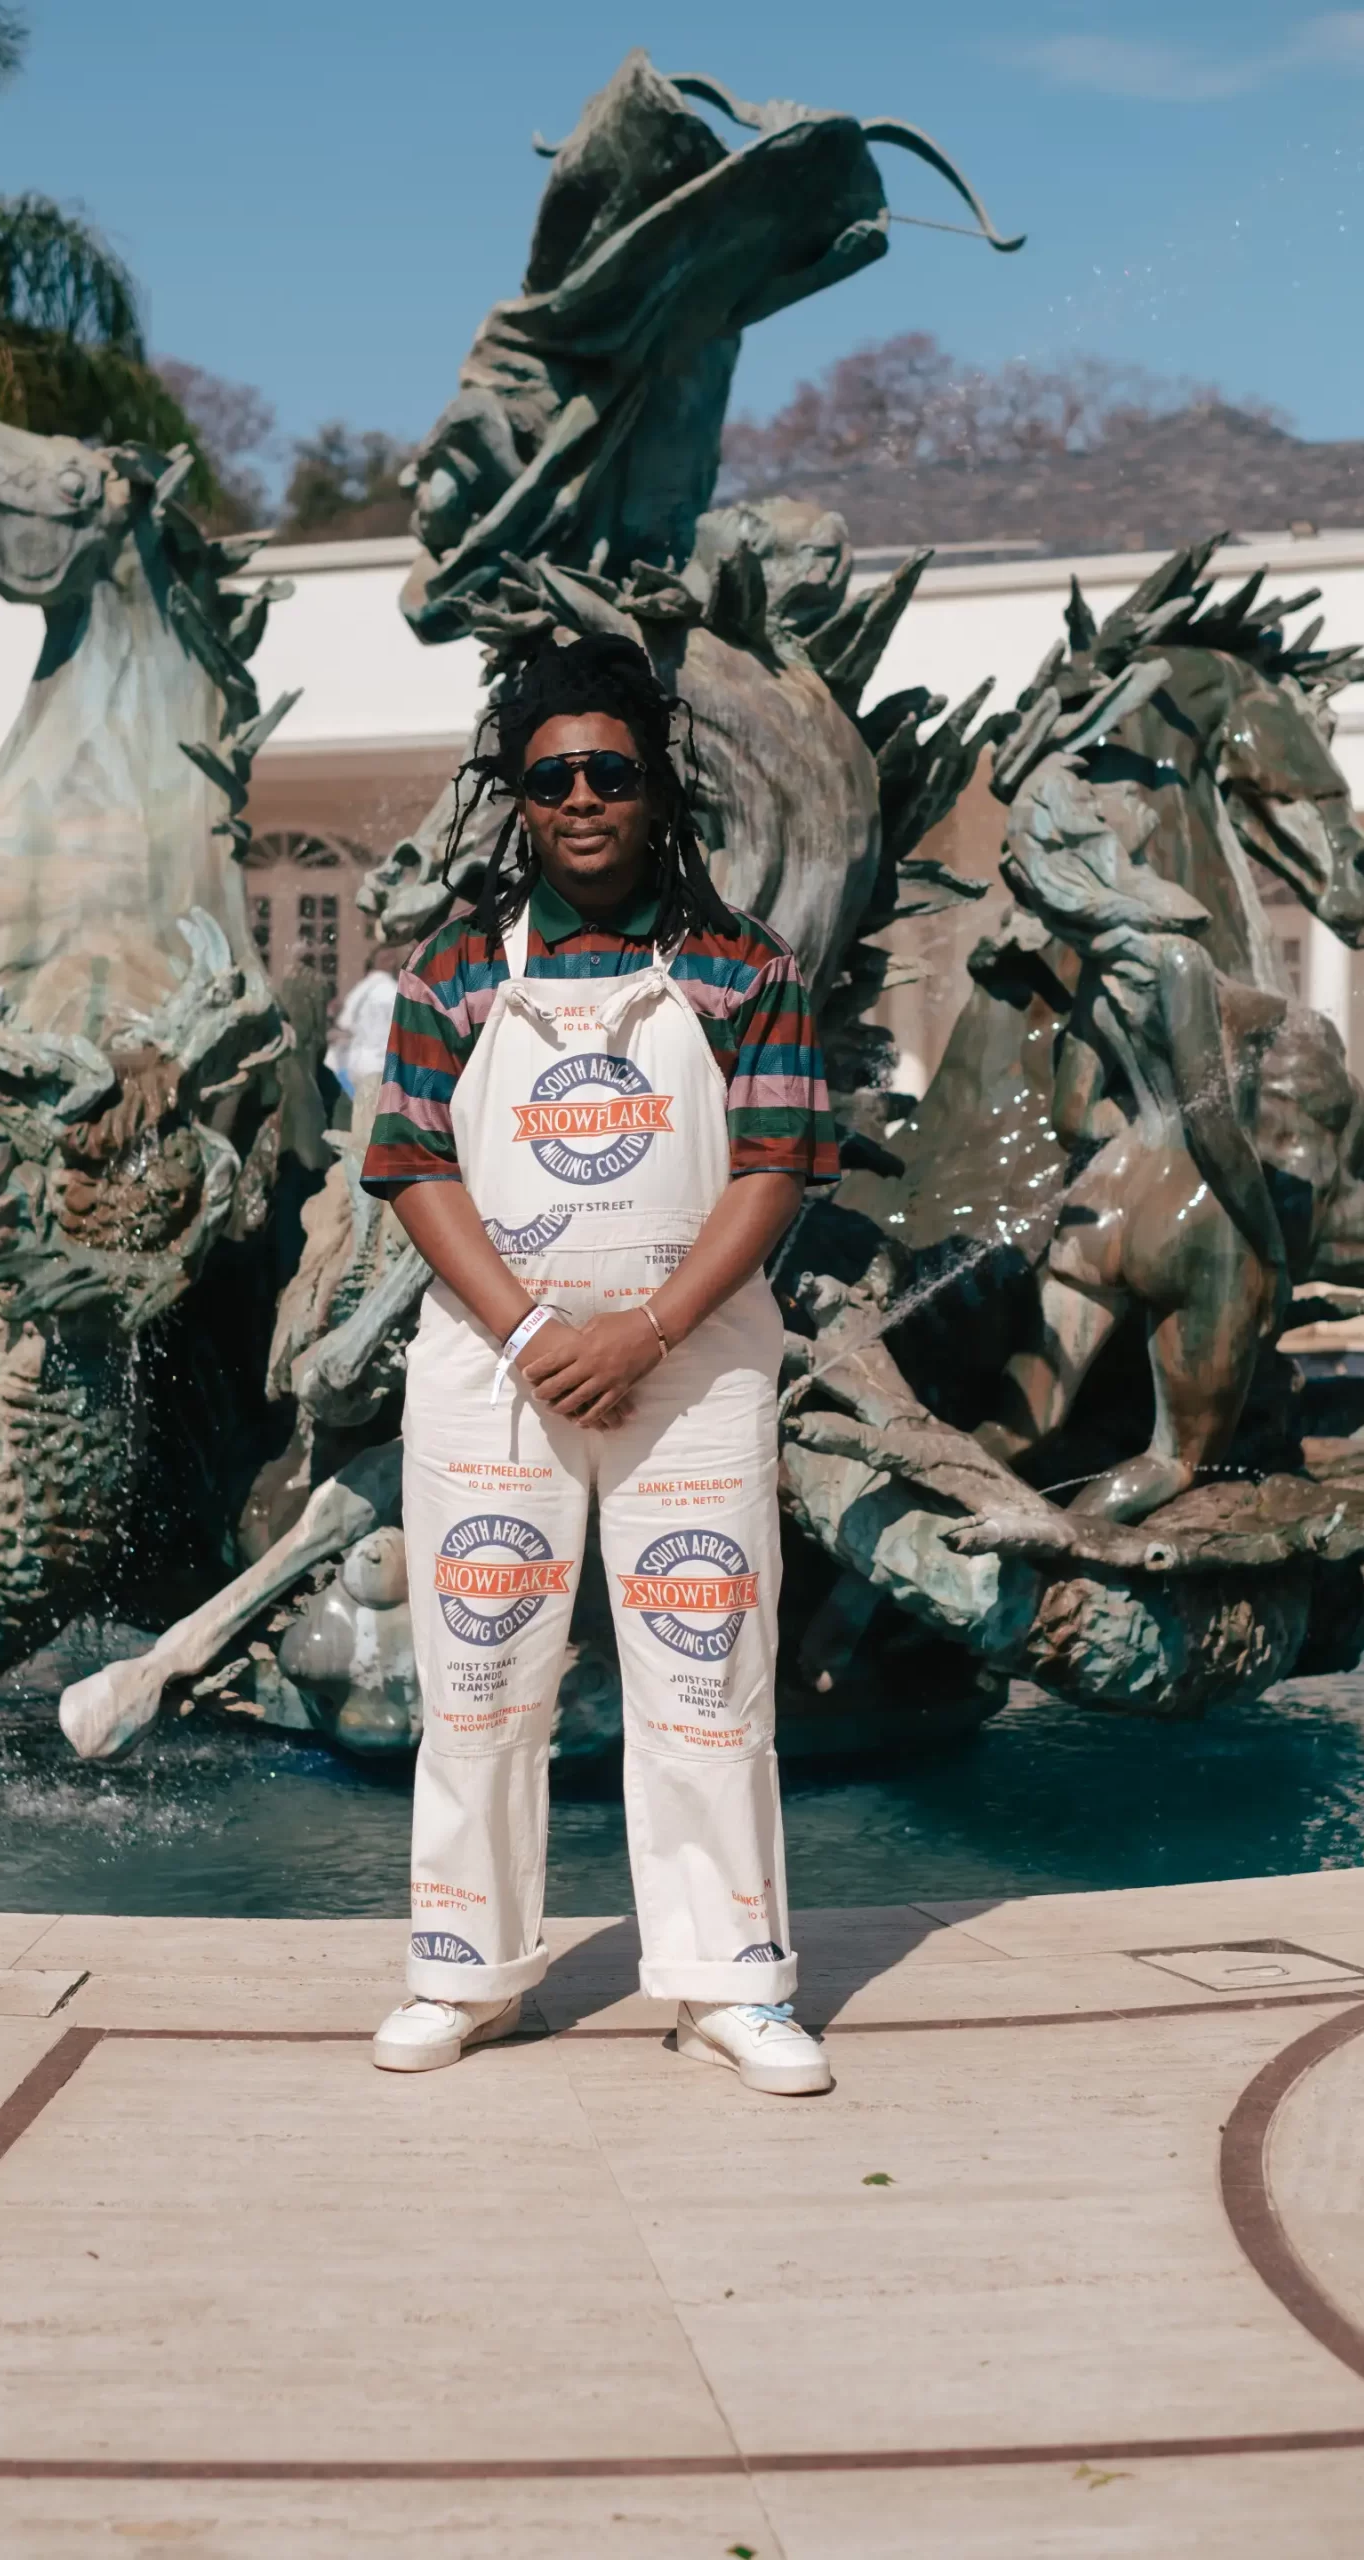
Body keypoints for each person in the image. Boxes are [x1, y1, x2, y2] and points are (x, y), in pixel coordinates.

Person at [362, 633, 840, 2095]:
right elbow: (411, 1163)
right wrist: (528, 1332)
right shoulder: (454, 968)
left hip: (689, 1369)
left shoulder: (742, 968)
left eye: (610, 775)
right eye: (552, 776)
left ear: (655, 789)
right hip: (491, 1370)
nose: (581, 799)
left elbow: (773, 1167)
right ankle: (465, 1973)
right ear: (519, 795)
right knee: (480, 1677)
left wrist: (645, 1331)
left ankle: (729, 1981)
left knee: (706, 1673)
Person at [325, 952, 399, 1097]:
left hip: (359, 1068)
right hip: (384, 1070)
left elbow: (343, 1026)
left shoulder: (360, 990)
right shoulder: (396, 991)